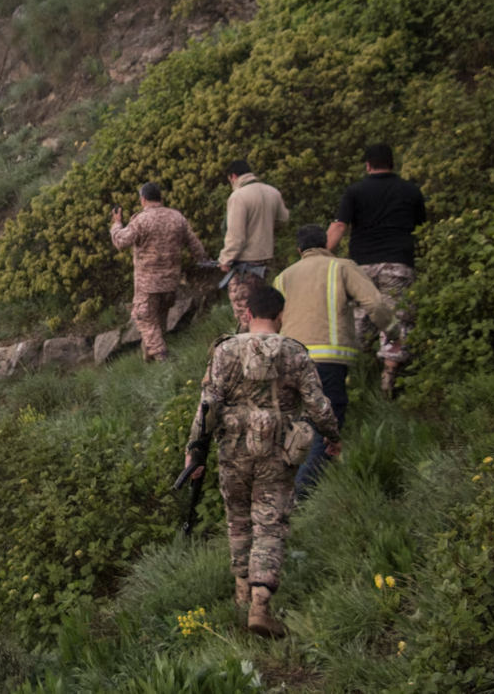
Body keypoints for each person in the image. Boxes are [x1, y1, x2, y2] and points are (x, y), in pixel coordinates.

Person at [183, 285, 341, 638]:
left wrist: (195, 451)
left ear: (248, 314)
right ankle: (260, 604)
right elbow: (318, 406)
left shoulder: (224, 351)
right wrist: (332, 435)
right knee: (270, 524)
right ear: (281, 315)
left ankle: (241, 597)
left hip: (233, 452)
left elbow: (207, 406)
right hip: (278, 455)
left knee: (238, 521)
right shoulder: (295, 353)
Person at [273, 224, 394, 495]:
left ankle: (278, 492)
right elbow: (374, 304)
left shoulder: (283, 277)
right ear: (327, 245)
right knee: (326, 427)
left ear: (299, 250)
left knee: (296, 426)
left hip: (286, 361)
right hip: (327, 361)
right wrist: (394, 331)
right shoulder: (341, 267)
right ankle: (300, 497)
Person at [326, 144, 428, 397]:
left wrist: (321, 255)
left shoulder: (355, 192)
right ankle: (389, 377)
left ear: (367, 164)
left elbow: (339, 226)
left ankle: (354, 375)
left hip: (362, 266)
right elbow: (421, 227)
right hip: (398, 263)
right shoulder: (411, 191)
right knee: (397, 318)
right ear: (393, 163)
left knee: (360, 317)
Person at [110, 182, 208, 362]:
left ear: (143, 199)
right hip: (171, 282)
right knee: (158, 322)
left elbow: (120, 242)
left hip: (148, 285)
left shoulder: (141, 220)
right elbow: (194, 244)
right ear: (161, 198)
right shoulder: (176, 217)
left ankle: (164, 359)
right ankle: (151, 361)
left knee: (144, 319)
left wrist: (117, 224)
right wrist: (203, 260)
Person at [219, 160, 290, 332]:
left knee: (246, 314)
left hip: (245, 266)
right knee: (263, 310)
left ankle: (246, 350)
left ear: (233, 176)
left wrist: (226, 259)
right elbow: (283, 219)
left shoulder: (239, 196)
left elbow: (236, 235)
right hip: (265, 263)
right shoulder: (272, 192)